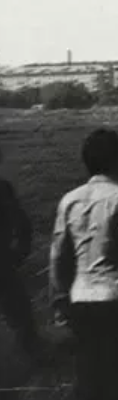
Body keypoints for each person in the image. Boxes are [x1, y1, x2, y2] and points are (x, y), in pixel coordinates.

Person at [50, 129, 118, 400]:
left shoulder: (69, 200)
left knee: (88, 381)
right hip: (117, 299)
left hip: (80, 298)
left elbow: (58, 255)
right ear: (117, 159)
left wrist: (59, 298)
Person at [0, 144, 38, 359]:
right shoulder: (2, 188)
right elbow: (22, 225)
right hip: (3, 262)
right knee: (20, 316)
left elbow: (22, 225)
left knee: (20, 313)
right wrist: (19, 253)